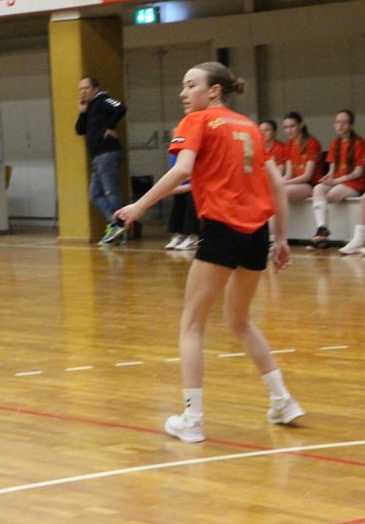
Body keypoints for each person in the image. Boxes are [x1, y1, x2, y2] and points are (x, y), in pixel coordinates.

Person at [115, 62, 303, 443]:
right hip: (256, 236)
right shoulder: (249, 127)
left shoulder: (197, 122)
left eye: (190, 85)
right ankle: (282, 400)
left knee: (191, 324)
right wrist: (281, 239)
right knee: (239, 320)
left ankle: (193, 420)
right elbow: (276, 186)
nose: (183, 93)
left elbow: (182, 169)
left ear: (213, 91)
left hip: (222, 230)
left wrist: (140, 206)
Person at [75, 76, 128, 245]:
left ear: (95, 89)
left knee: (111, 193)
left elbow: (120, 107)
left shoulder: (103, 100)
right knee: (95, 194)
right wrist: (82, 112)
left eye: (86, 88)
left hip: (108, 154)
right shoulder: (89, 108)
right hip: (97, 157)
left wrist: (110, 126)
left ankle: (120, 226)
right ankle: (115, 224)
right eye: (80, 89)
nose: (83, 92)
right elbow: (79, 130)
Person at [308, 110, 365, 250]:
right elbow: (332, 170)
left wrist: (336, 181)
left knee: (330, 195)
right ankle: (322, 229)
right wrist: (328, 178)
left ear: (351, 125)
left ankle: (323, 238)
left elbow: (358, 172)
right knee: (318, 188)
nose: (340, 125)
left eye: (344, 122)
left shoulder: (358, 143)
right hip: (339, 182)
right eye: (338, 122)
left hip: (354, 184)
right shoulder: (334, 143)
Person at [281, 111, 321, 202]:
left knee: (281, 191)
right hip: (295, 184)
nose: (289, 130)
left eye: (292, 126)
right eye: (286, 127)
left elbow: (307, 176)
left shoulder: (311, 143)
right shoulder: (289, 144)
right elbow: (288, 174)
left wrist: (284, 183)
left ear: (301, 125)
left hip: (310, 184)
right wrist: (279, 182)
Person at [163, 152, 199, 251]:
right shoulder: (174, 152)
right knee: (178, 202)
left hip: (197, 185)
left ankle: (193, 236)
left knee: (191, 200)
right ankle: (180, 234)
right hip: (183, 185)